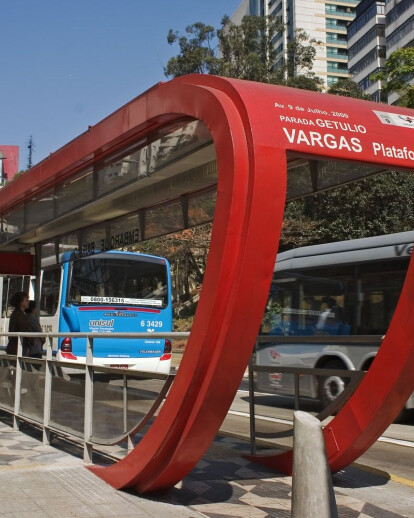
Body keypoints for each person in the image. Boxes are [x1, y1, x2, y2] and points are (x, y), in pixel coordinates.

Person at [7, 291, 33, 356]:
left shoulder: (15, 314)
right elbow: (25, 330)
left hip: (14, 347)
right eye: (26, 300)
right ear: (21, 303)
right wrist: (32, 340)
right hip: (19, 348)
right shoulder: (19, 315)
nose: (28, 302)